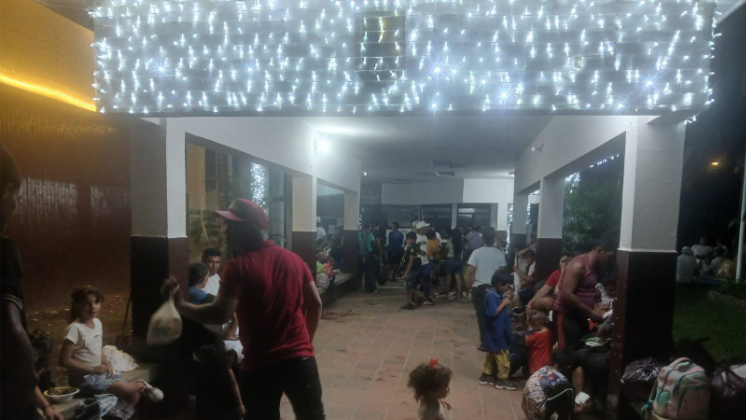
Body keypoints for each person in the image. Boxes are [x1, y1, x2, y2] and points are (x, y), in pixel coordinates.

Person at [162, 198, 325, 420]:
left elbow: (219, 314)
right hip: (300, 361)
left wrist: (181, 304)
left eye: (232, 227)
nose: (227, 234)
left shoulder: (238, 267)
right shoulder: (294, 260)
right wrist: (306, 343)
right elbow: (315, 304)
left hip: (261, 366)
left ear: (247, 230)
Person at [0, 146, 65, 420]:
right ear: (6, 191)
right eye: (17, 197)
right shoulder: (4, 251)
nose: (16, 206)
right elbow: (11, 327)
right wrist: (29, 379)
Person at [59, 286, 163, 406]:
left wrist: (107, 363)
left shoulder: (97, 323)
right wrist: (93, 369)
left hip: (100, 374)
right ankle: (142, 384)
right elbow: (64, 361)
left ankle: (123, 413)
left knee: (134, 395)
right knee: (128, 389)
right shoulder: (74, 329)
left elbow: (97, 350)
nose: (93, 307)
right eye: (87, 304)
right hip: (83, 380)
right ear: (77, 305)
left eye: (96, 302)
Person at [553, 238, 617, 350]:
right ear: (599, 250)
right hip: (566, 315)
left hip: (581, 315)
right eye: (609, 256)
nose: (609, 261)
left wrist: (596, 309)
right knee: (566, 354)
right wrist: (590, 312)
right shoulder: (578, 265)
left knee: (579, 349)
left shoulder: (595, 268)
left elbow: (587, 293)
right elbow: (566, 294)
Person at [188, 262, 243, 361]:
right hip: (203, 327)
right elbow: (228, 306)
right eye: (207, 276)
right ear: (203, 278)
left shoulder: (187, 290)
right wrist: (233, 327)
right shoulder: (197, 293)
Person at [467, 228, 507, 351]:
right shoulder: (500, 254)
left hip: (480, 288)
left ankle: (485, 343)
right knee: (495, 316)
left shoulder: (476, 252)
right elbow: (502, 273)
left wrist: (472, 286)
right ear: (494, 238)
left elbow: (470, 272)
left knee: (482, 317)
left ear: (483, 239)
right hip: (495, 289)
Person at [479, 272, 517, 390]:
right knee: (503, 356)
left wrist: (508, 294)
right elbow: (492, 313)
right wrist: (504, 303)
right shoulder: (491, 296)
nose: (508, 288)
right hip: (496, 332)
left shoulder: (494, 293)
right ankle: (502, 379)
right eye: (507, 286)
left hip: (495, 331)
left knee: (491, 354)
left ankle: (486, 375)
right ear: (500, 285)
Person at [521, 350, 577, 420]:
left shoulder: (545, 368)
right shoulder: (561, 380)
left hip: (527, 410)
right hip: (537, 415)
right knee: (569, 389)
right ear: (569, 367)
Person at [440, 228, 465, 300]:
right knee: (458, 279)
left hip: (450, 260)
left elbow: (445, 251)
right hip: (458, 260)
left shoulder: (449, 242)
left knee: (448, 279)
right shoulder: (461, 243)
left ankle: (447, 295)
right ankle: (459, 295)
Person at [401, 232, 423, 310]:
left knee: (410, 286)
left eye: (408, 239)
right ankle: (410, 302)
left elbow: (411, 260)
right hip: (415, 268)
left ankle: (419, 297)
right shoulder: (415, 246)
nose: (407, 241)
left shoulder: (412, 248)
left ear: (413, 239)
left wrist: (407, 271)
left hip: (412, 269)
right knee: (410, 286)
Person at [358, 223, 379, 294]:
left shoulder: (360, 234)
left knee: (367, 272)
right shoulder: (370, 235)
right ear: (368, 228)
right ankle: (372, 288)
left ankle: (367, 287)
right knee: (372, 272)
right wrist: (378, 253)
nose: (371, 228)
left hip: (364, 254)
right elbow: (373, 245)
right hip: (371, 254)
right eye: (370, 227)